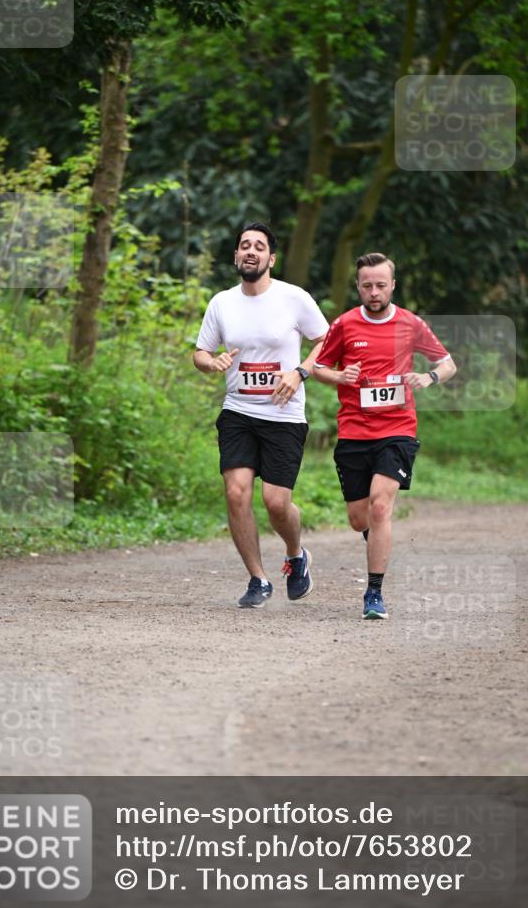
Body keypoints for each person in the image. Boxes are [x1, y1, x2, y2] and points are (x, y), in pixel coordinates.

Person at [313, 252, 456, 620]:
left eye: (380, 285)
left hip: (397, 429)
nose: (374, 292)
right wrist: (340, 377)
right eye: (367, 286)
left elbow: (448, 363)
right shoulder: (344, 324)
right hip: (354, 431)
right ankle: (376, 537)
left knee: (380, 506)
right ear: (358, 287)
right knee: (359, 518)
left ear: (392, 285)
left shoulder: (410, 323)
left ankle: (373, 594)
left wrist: (428, 378)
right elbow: (318, 368)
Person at [194, 221, 329, 608]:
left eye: (258, 246)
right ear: (236, 256)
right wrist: (211, 361)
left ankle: (296, 554)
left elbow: (327, 338)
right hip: (238, 411)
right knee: (237, 494)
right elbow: (199, 352)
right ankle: (258, 579)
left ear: (271, 257)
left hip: (284, 416)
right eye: (244, 245)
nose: (250, 251)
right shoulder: (222, 302)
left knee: (275, 502)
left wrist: (300, 371)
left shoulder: (294, 298)